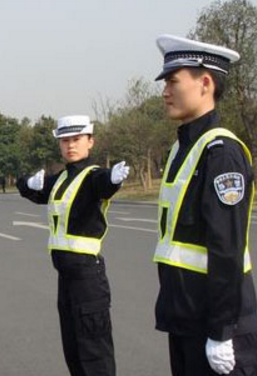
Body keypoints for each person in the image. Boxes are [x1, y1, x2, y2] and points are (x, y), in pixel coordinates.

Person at [152, 34, 257, 375]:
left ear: (205, 83)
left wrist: (222, 332)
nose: (165, 91)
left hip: (217, 325)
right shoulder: (181, 149)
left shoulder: (221, 153)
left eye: (173, 81)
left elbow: (226, 249)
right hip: (185, 318)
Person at [17, 115, 130, 376]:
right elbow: (31, 188)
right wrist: (29, 183)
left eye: (77, 139)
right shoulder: (60, 179)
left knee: (94, 352)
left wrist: (113, 179)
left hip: (88, 276)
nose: (70, 145)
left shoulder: (93, 176)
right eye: (65, 140)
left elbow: (104, 183)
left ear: (90, 141)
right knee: (74, 350)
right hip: (66, 277)